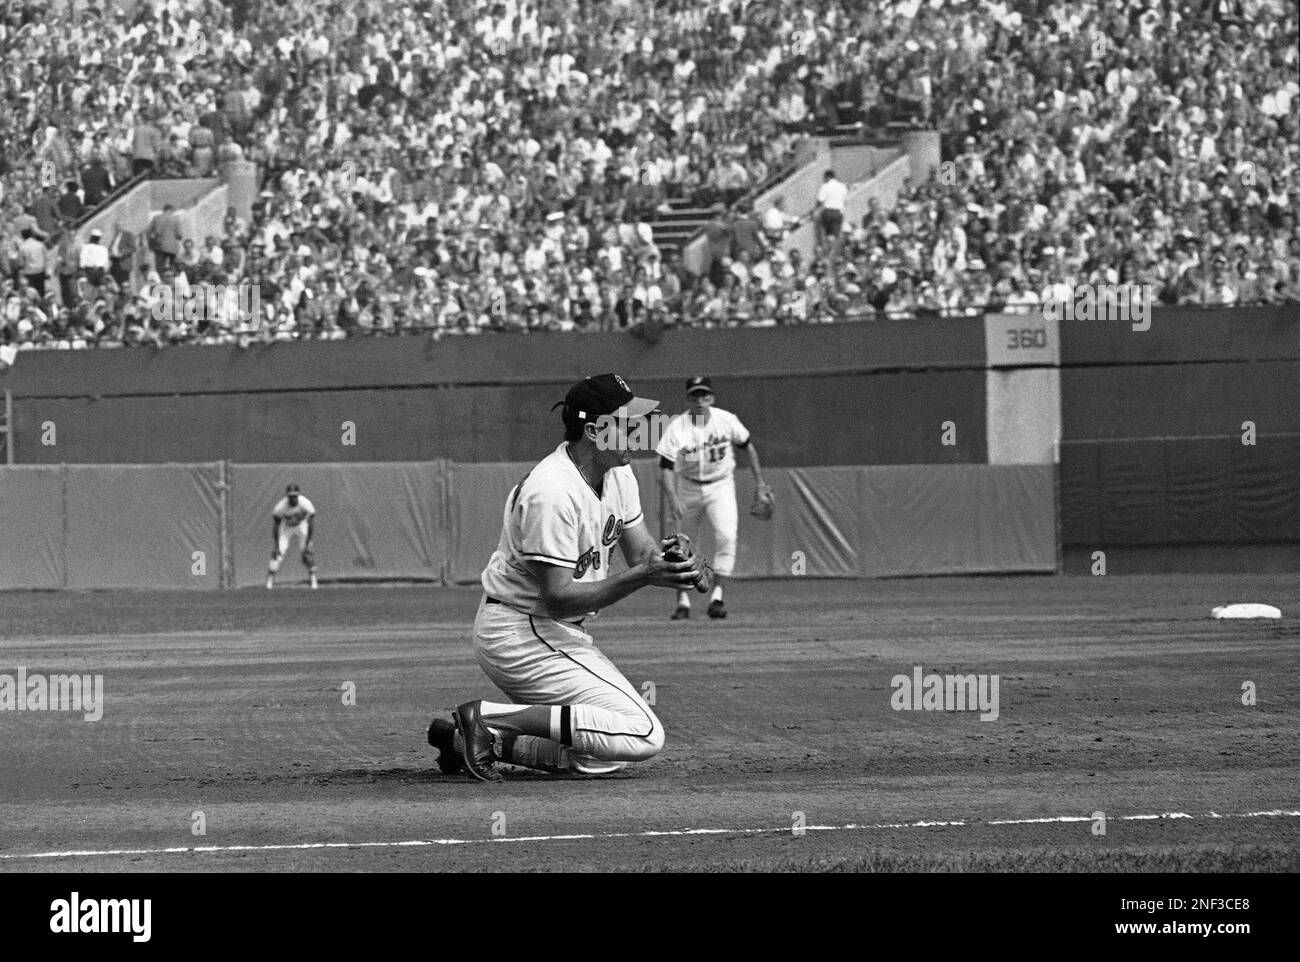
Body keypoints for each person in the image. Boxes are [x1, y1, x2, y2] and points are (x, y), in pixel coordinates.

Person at [427, 374, 700, 782]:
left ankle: (476, 742)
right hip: (519, 633)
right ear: (595, 430)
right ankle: (483, 717)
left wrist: (675, 564)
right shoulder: (551, 491)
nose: (642, 429)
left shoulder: (619, 474)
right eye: (630, 421)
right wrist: (644, 575)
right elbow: (558, 597)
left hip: (554, 631)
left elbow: (644, 555)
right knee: (642, 733)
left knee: (603, 750)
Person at [655, 376, 766, 620]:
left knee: (727, 537)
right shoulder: (677, 427)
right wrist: (673, 499)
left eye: (704, 395)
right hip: (688, 487)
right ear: (687, 399)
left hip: (721, 485)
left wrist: (760, 484)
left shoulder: (726, 420)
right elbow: (664, 466)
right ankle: (682, 602)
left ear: (711, 398)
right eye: (694, 396)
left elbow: (747, 445)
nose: (700, 401)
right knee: (680, 547)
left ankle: (717, 598)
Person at [267, 483, 318, 589]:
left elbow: (311, 524)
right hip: (287, 528)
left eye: (295, 496)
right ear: (287, 496)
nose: (293, 498)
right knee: (278, 552)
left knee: (307, 553)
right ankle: (270, 580)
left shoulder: (305, 503)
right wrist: (276, 546)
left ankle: (313, 579)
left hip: (302, 525)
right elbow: (276, 526)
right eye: (290, 496)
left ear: (298, 495)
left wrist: (308, 543)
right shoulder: (281, 507)